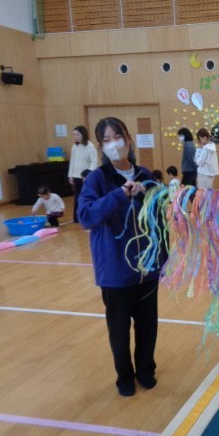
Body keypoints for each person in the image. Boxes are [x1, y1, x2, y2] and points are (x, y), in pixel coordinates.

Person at [77, 117, 166, 397]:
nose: (114, 144)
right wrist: (118, 195)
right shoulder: (97, 178)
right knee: (119, 329)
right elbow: (85, 216)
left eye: (117, 136)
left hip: (146, 269)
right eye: (106, 140)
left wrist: (162, 259)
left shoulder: (144, 174)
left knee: (148, 325)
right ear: (101, 146)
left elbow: (159, 217)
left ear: (128, 138)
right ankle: (124, 376)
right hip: (115, 271)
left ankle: (146, 370)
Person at [68, 126, 99, 223]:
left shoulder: (90, 146)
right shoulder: (74, 146)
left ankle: (88, 216)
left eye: (77, 135)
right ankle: (77, 217)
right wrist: (70, 175)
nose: (75, 137)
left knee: (86, 197)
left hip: (86, 177)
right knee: (77, 197)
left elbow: (94, 162)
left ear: (83, 134)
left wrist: (88, 174)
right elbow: (72, 161)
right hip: (76, 176)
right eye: (74, 135)